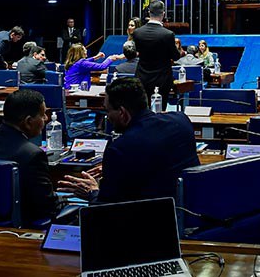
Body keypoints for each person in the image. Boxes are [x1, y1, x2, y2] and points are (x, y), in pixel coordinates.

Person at [58, 77, 199, 204]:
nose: (107, 117)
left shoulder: (119, 149)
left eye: (108, 111)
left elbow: (104, 210)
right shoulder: (182, 121)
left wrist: (92, 192)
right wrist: (118, 166)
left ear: (122, 113)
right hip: (192, 210)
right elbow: (159, 160)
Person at [0, 89, 66, 225]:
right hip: (14, 227)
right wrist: (65, 200)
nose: (46, 119)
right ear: (28, 122)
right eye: (42, 115)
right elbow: (46, 207)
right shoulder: (32, 154)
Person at [132, 0, 181, 104]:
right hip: (162, 79)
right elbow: (176, 56)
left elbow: (137, 51)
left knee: (142, 111)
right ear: (163, 14)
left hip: (142, 77)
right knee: (159, 112)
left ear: (149, 13)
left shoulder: (137, 33)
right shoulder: (168, 34)